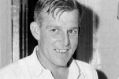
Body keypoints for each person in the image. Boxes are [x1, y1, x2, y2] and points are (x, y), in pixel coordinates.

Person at [0, 0, 98, 79]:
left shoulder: (88, 73)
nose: (66, 42)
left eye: (72, 31)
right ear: (36, 31)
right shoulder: (10, 76)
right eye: (55, 30)